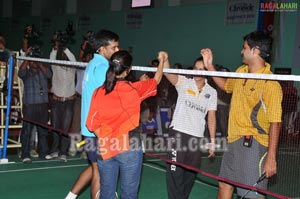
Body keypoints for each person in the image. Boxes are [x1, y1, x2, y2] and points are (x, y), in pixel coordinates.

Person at [201, 31, 283, 199]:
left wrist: (271, 158)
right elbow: (227, 86)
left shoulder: (270, 83)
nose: (241, 51)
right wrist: (210, 67)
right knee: (224, 183)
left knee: (251, 194)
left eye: (244, 48)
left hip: (254, 144)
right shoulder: (241, 71)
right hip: (233, 140)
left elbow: (276, 122)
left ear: (255, 50)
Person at [86, 50, 168, 199]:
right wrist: (162, 60)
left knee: (106, 194)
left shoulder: (98, 92)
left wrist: (107, 137)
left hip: (105, 147)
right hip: (129, 147)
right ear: (128, 70)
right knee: (129, 195)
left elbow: (91, 124)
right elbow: (157, 79)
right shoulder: (134, 89)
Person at [65, 29, 119, 199]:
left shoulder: (92, 64)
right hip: (98, 129)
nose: (117, 51)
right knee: (99, 169)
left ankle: (71, 196)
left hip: (88, 128)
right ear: (102, 49)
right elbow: (110, 99)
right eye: (114, 48)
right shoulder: (104, 68)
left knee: (94, 165)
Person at [164, 56, 217, 199]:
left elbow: (211, 117)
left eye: (201, 69)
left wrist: (212, 141)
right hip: (178, 134)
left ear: (207, 72)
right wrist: (166, 59)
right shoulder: (184, 82)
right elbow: (168, 73)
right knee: (175, 173)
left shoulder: (212, 92)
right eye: (195, 68)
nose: (197, 72)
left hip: (196, 137)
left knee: (190, 173)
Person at [18, 46, 52, 163]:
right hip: (30, 105)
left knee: (43, 131)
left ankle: (44, 153)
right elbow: (20, 72)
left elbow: (49, 74)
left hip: (42, 105)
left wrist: (39, 62)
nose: (34, 63)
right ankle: (25, 154)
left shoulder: (42, 71)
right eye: (32, 61)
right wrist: (28, 58)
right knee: (27, 131)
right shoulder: (26, 73)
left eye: (35, 60)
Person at [46, 34, 77, 162]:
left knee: (65, 128)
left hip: (69, 101)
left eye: (65, 56)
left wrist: (64, 48)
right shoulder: (55, 66)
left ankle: (63, 152)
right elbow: (52, 56)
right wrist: (56, 46)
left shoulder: (73, 68)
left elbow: (73, 59)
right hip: (56, 101)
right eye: (62, 55)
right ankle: (54, 151)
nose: (64, 57)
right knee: (55, 127)